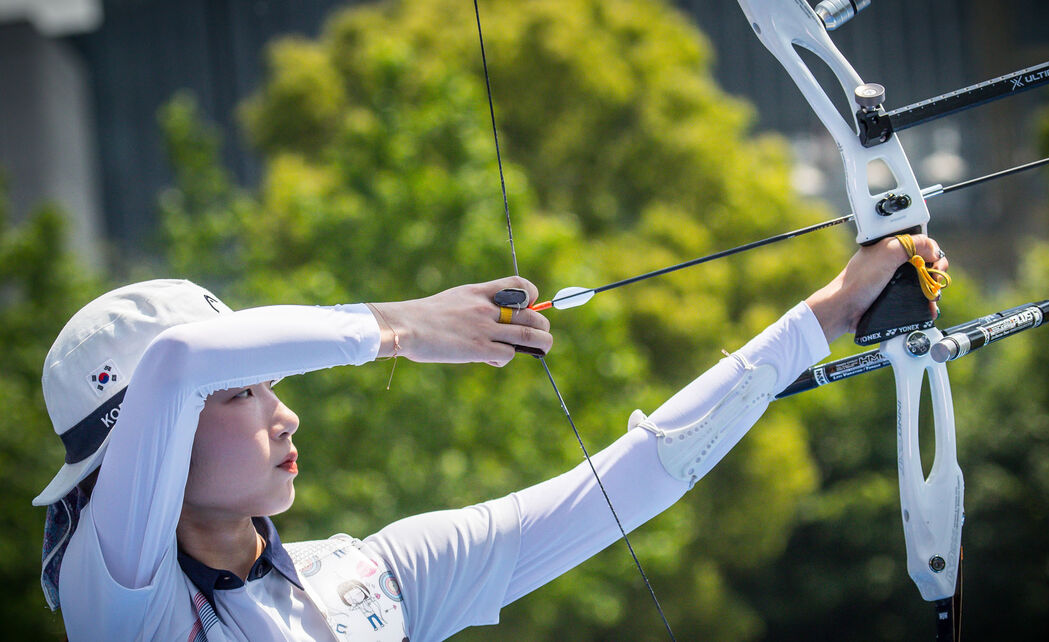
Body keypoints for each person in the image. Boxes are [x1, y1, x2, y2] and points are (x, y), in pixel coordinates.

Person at [34, 234, 947, 641]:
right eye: (242, 394)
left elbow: (636, 477)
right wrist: (406, 326)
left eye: (272, 384)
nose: (286, 414)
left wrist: (830, 313)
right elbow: (177, 363)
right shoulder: (119, 608)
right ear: (148, 449)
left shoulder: (371, 577)